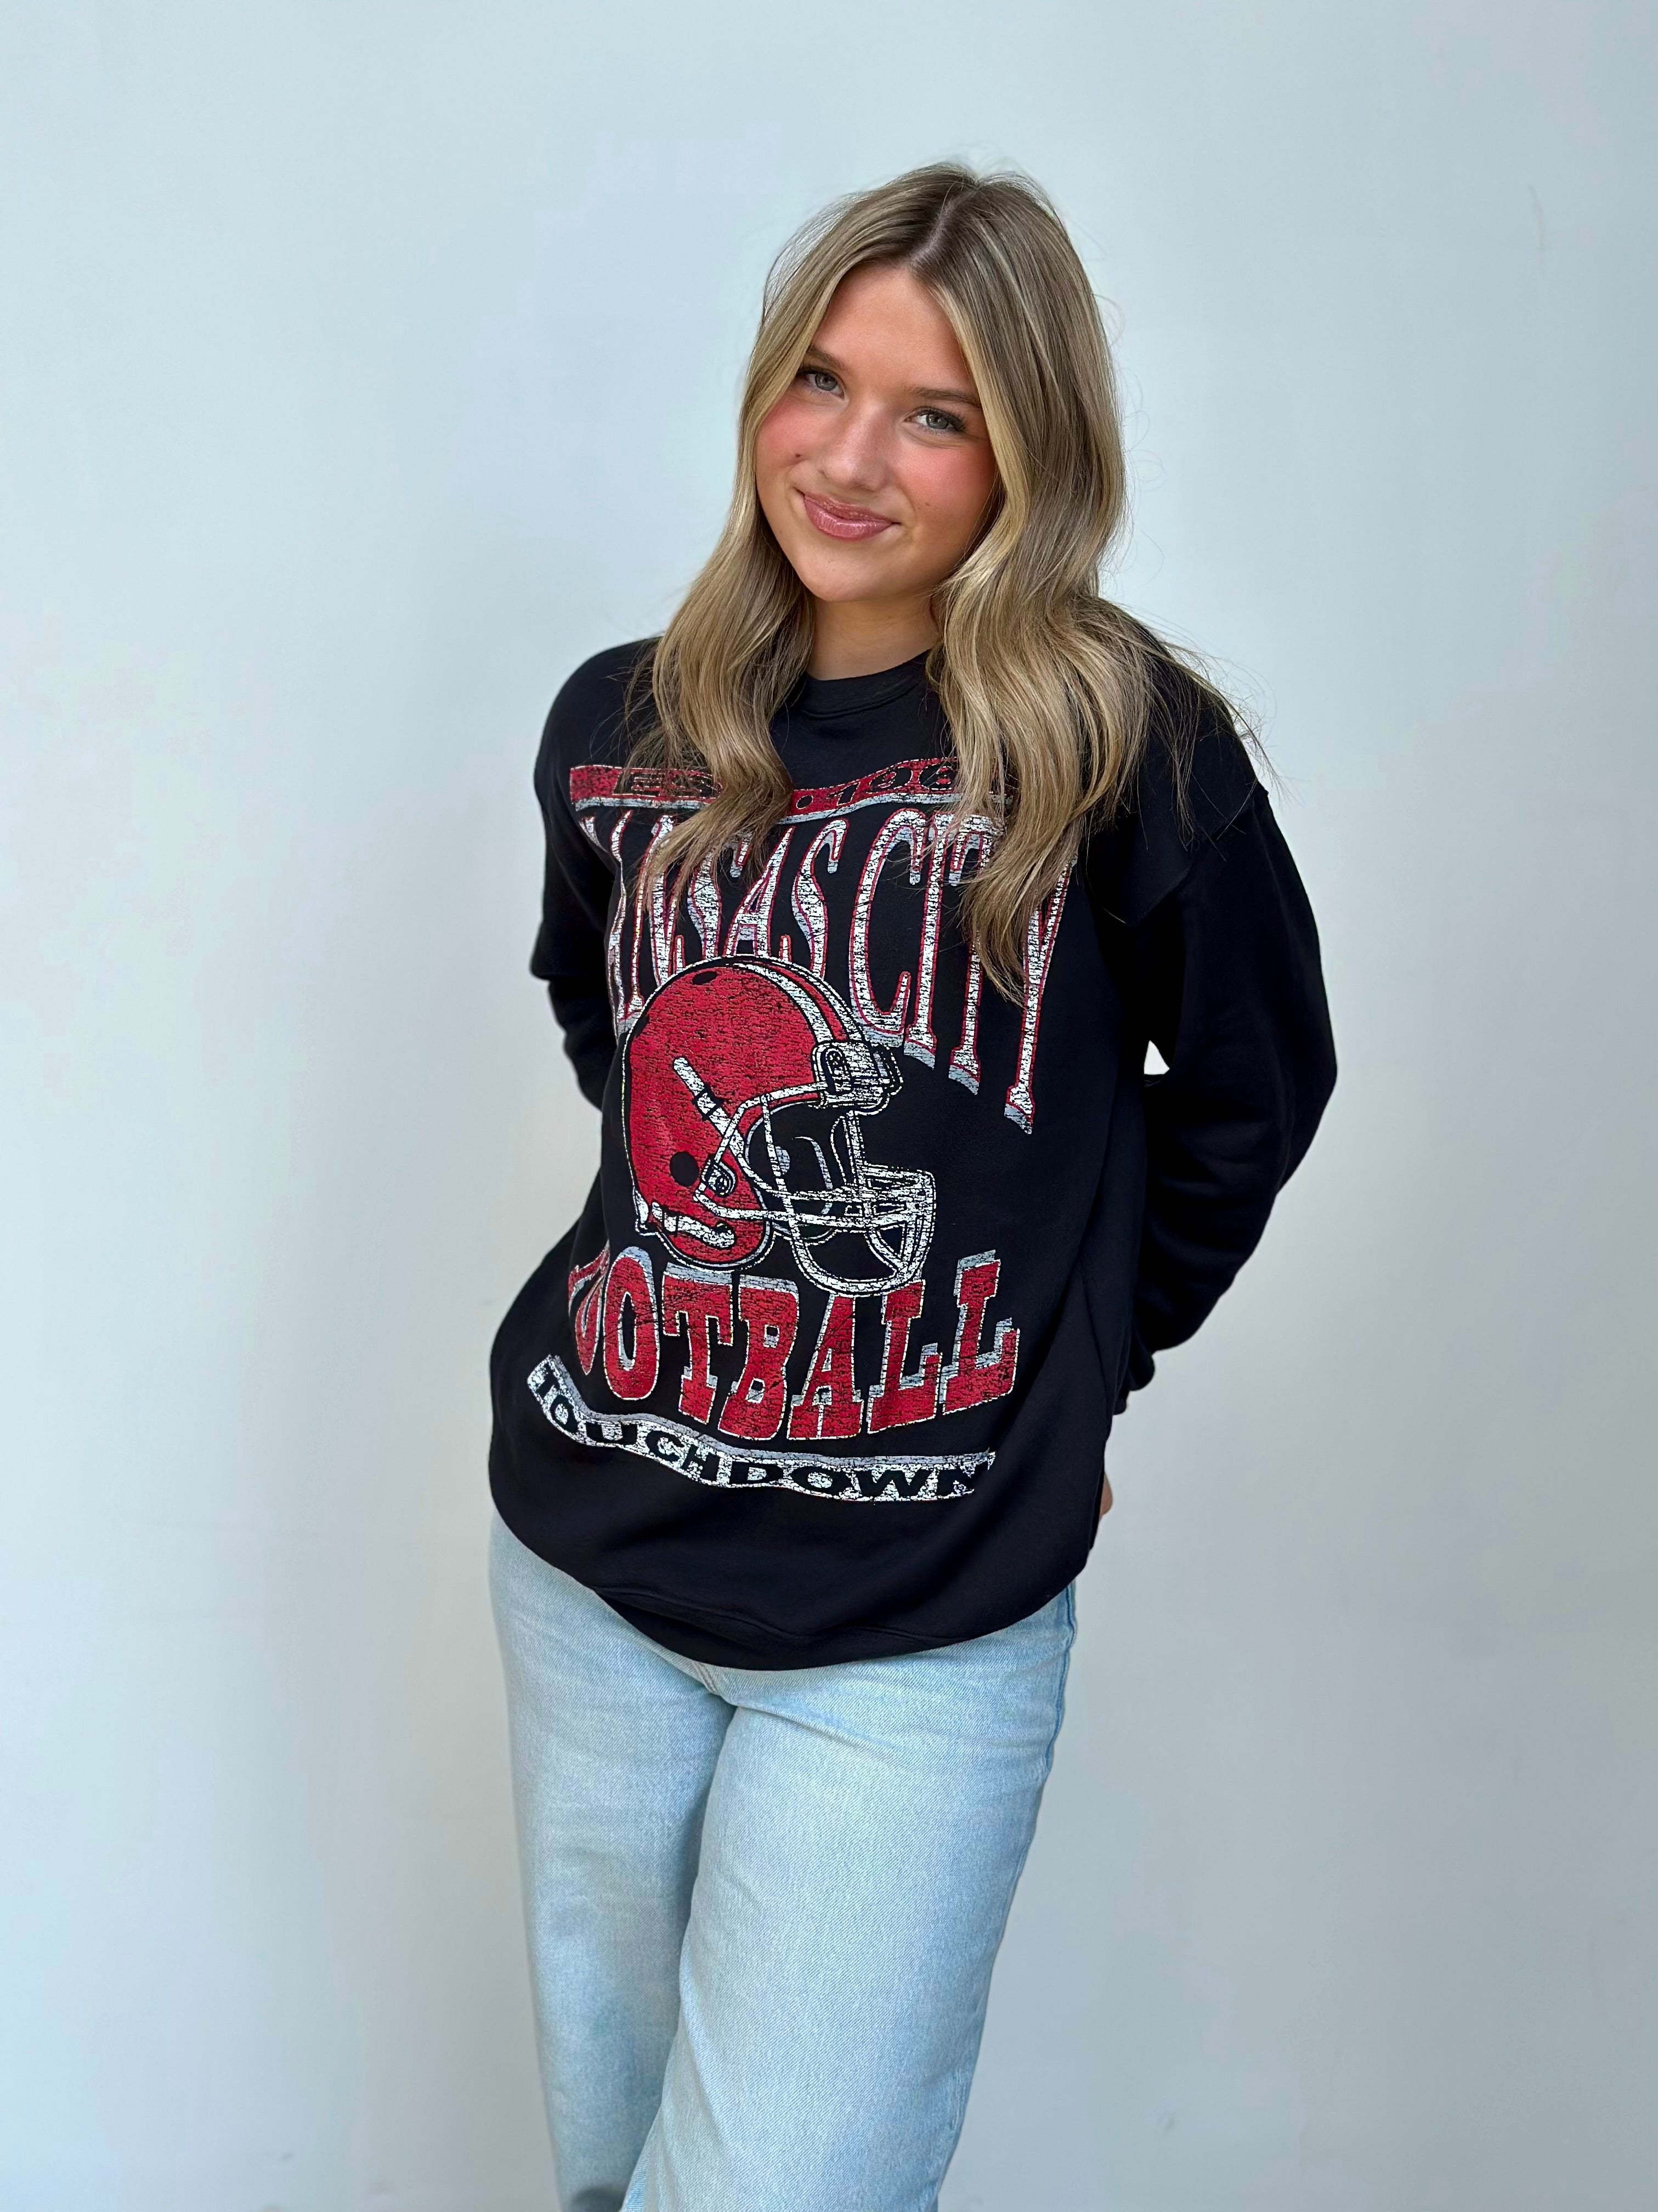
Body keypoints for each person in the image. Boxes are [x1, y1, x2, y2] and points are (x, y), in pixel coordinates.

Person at [486, 162, 1336, 2212]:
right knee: (611, 2176)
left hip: (918, 1626)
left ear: (1029, 455)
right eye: (821, 380)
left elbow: (1255, 1090)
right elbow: (609, 1021)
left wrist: (1083, 1358)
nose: (850, 458)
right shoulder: (620, 722)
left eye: (935, 414)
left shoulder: (1121, 743)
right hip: (593, 1560)